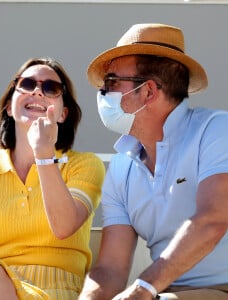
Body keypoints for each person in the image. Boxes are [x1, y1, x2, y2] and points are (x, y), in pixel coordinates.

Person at [78, 23, 228, 300]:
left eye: (111, 82)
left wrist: (144, 287)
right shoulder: (121, 168)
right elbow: (110, 269)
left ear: (148, 91)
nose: (102, 92)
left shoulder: (218, 130)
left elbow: (212, 220)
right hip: (163, 293)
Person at [0, 57, 105, 299]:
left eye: (51, 88)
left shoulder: (84, 165)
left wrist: (44, 153)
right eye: (27, 84)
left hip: (61, 291)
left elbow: (65, 226)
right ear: (9, 106)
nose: (37, 91)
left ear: (63, 114)